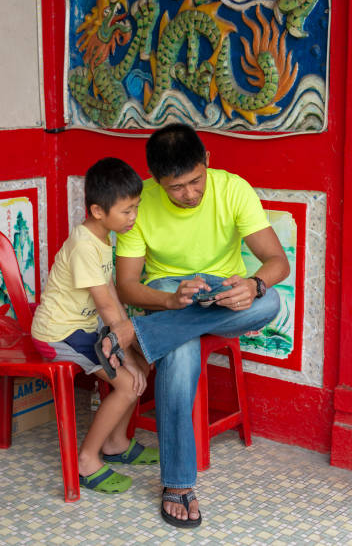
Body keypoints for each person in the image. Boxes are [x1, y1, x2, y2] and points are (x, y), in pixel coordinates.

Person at [97, 123, 290, 527]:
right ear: (156, 181)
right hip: (168, 292)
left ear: (208, 163)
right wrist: (171, 299)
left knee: (269, 300)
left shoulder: (234, 189)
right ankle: (178, 485)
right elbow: (128, 287)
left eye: (195, 181)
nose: (188, 194)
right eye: (175, 187)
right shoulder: (141, 202)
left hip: (224, 293)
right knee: (180, 352)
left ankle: (142, 335)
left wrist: (253, 285)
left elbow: (277, 263)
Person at [31, 157, 159, 495]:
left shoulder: (103, 236)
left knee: (140, 366)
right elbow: (105, 306)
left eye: (136, 208)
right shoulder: (85, 245)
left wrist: (130, 349)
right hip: (60, 334)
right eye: (127, 211)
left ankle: (116, 442)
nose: (134, 217)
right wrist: (126, 356)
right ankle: (86, 460)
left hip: (84, 329)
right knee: (129, 382)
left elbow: (112, 296)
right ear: (98, 211)